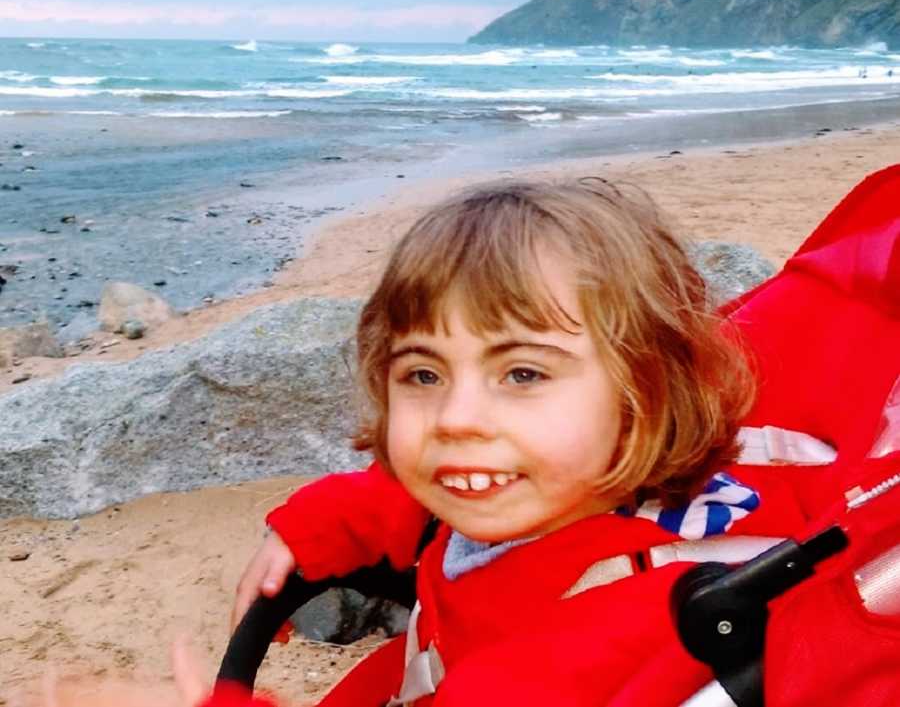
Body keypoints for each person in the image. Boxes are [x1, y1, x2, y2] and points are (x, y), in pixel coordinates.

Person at [218, 178, 817, 707]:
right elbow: (416, 502)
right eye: (424, 375)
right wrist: (324, 522)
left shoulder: (601, 637)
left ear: (645, 397)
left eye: (523, 374)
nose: (456, 420)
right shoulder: (555, 485)